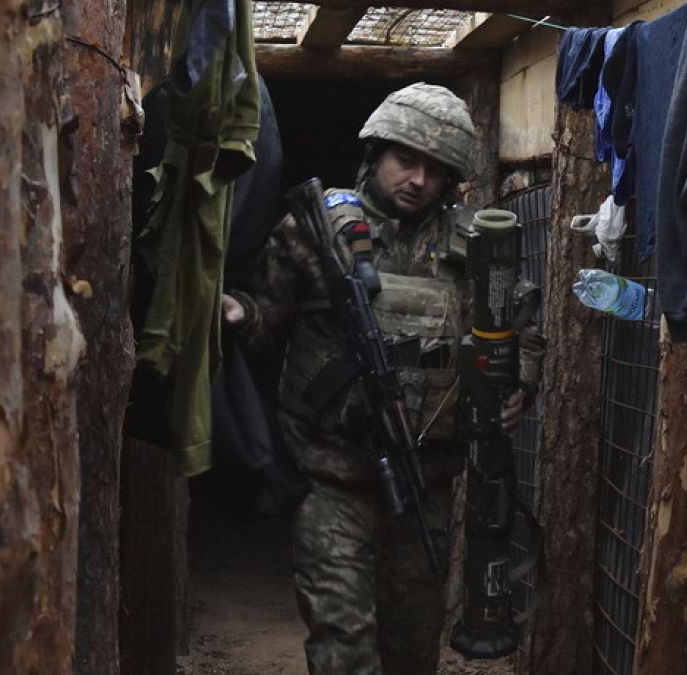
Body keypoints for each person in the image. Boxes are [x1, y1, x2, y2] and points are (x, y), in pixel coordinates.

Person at [221, 82, 545, 674]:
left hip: (425, 486)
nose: (418, 179)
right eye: (406, 160)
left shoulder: (476, 245)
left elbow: (521, 333)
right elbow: (265, 313)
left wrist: (517, 384)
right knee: (342, 642)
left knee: (411, 647)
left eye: (435, 169)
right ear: (376, 154)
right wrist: (241, 313)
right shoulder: (319, 227)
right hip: (331, 478)